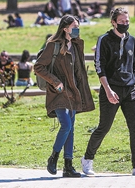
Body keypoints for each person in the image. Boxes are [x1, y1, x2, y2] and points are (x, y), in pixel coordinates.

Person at [81, 7, 135, 177]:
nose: (124, 24)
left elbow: (133, 63)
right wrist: (108, 90)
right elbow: (100, 67)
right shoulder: (104, 40)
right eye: (121, 22)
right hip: (110, 89)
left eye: (127, 21)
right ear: (113, 22)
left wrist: (130, 82)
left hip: (129, 89)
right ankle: (87, 159)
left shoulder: (132, 41)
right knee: (104, 127)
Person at [34, 16, 95, 177]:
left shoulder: (75, 45)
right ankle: (53, 157)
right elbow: (38, 66)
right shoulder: (53, 46)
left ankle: (68, 166)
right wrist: (55, 82)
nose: (77, 29)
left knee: (71, 129)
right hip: (58, 92)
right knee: (66, 125)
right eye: (74, 26)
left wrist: (82, 90)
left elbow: (78, 71)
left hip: (73, 92)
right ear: (65, 28)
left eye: (78, 26)